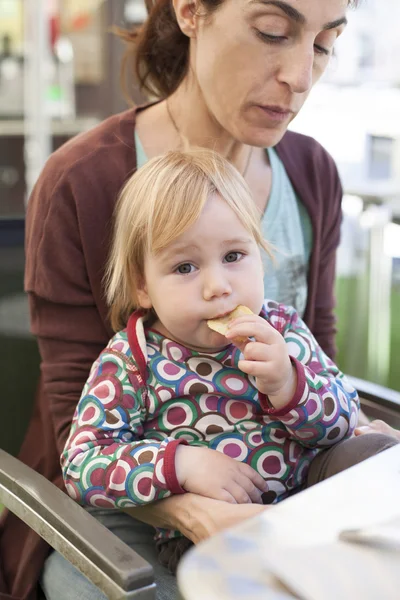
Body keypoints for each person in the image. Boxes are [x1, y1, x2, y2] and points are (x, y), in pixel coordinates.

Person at [0, 1, 397, 599]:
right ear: (190, 11)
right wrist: (189, 491)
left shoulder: (312, 175)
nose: (300, 77)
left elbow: (327, 372)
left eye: (323, 45)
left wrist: (297, 387)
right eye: (272, 32)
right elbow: (78, 440)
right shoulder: (81, 188)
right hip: (137, 514)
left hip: (289, 488)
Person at [61, 148, 360, 572]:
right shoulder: (132, 359)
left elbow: (345, 418)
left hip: (310, 504)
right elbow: (81, 465)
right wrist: (180, 463)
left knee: (374, 454)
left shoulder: (282, 329)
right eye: (185, 267)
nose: (217, 286)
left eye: (234, 256)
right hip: (206, 541)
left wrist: (290, 384)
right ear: (143, 286)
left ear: (260, 255)